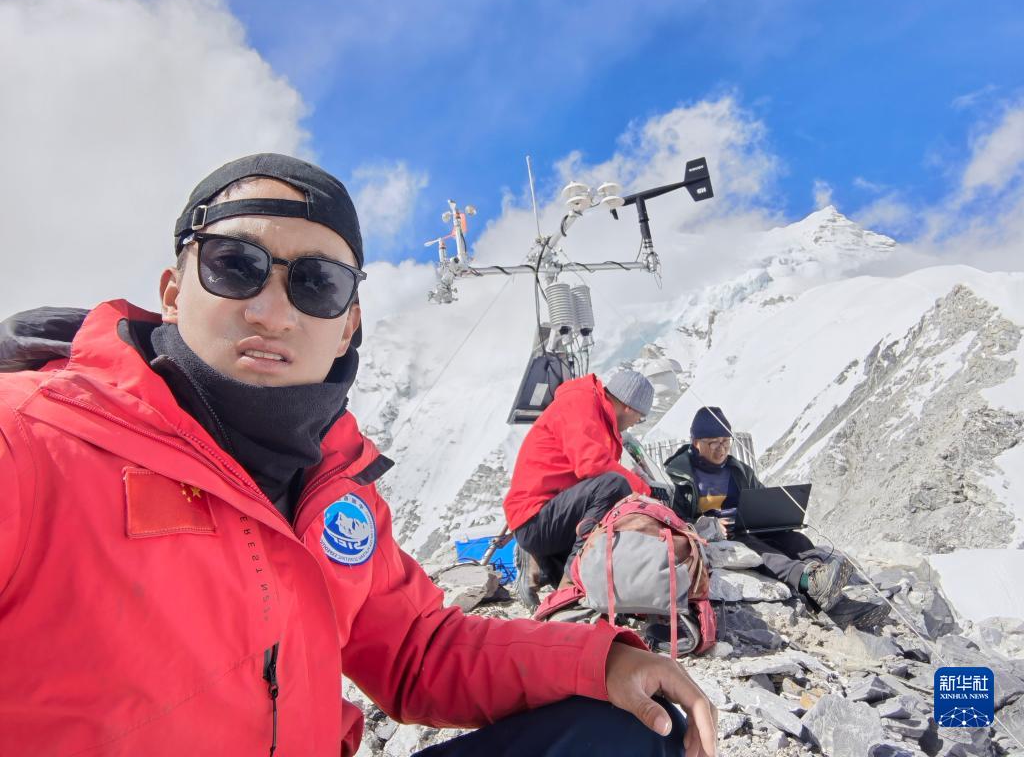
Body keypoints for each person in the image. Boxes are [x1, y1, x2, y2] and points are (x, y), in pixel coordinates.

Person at [0, 154, 718, 757]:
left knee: (632, 733)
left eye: (316, 284)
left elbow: (417, 651)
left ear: (348, 327)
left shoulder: (333, 484)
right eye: (234, 266)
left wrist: (602, 661)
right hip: (543, 520)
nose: (272, 311)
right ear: (171, 291)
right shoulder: (31, 443)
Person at [664, 406, 890, 631]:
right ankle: (808, 581)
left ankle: (831, 594)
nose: (721, 449)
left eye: (725, 441)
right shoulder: (678, 475)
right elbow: (675, 519)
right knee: (760, 550)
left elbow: (761, 499)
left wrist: (774, 516)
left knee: (795, 540)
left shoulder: (738, 470)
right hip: (718, 537)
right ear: (696, 442)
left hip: (746, 526)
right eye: (714, 443)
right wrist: (711, 525)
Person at [504, 370, 654, 602]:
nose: (636, 423)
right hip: (535, 518)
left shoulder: (599, 417)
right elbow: (592, 465)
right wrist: (645, 490)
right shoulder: (580, 403)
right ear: (629, 407)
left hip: (555, 516)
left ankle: (546, 571)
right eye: (640, 417)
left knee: (592, 603)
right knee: (614, 486)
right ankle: (570, 580)